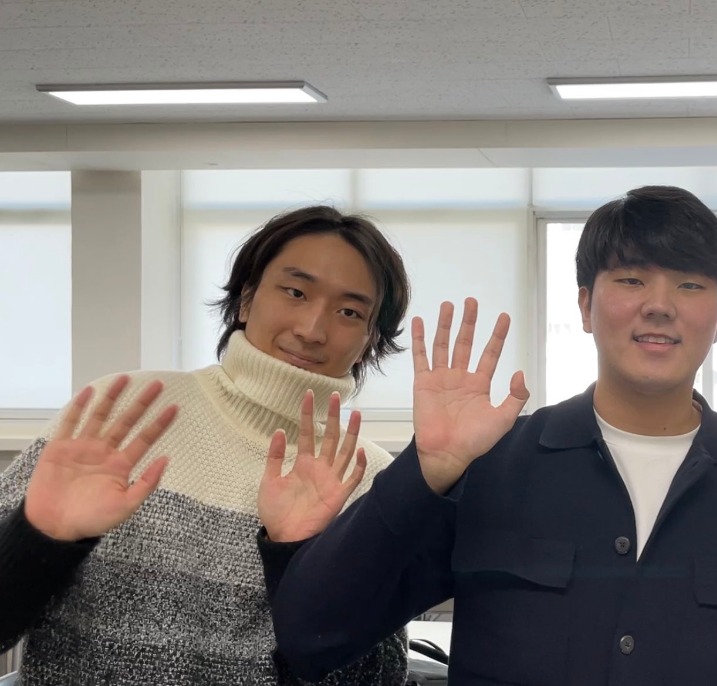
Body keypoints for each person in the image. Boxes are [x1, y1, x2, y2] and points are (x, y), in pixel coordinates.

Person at [268, 186, 717, 685]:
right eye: (632, 279)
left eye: (690, 284)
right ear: (585, 305)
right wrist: (425, 470)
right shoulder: (490, 468)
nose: (660, 306)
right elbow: (314, 636)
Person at [0, 205, 412, 684]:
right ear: (246, 298)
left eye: (349, 312)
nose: (311, 329)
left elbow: (377, 678)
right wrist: (39, 536)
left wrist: (294, 558)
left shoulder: (367, 478)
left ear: (370, 340)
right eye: (295, 292)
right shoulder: (123, 412)